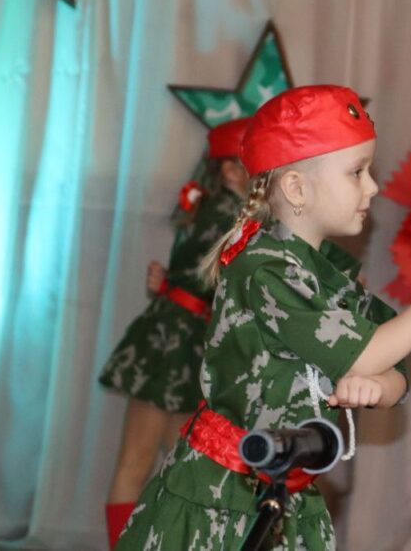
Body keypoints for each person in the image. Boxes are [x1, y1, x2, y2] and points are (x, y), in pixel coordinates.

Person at [114, 84, 411, 550]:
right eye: (357, 172)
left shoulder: (327, 271)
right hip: (224, 502)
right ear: (297, 187)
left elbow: (391, 357)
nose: (372, 187)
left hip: (286, 492)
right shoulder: (267, 270)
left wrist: (380, 386)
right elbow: (369, 353)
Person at [98, 116, 251, 548]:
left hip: (183, 340)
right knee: (139, 461)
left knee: (177, 462)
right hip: (171, 343)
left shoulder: (216, 209)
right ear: (230, 169)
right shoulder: (227, 214)